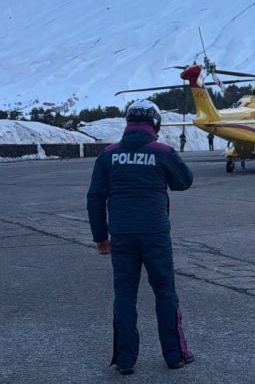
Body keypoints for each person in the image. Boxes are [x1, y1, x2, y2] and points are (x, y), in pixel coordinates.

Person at [87, 99, 195, 376]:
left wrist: (101, 237)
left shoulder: (108, 155)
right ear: (155, 124)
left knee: (124, 295)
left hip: (122, 234)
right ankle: (175, 356)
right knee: (165, 293)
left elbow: (95, 198)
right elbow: (184, 181)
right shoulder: (162, 151)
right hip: (156, 233)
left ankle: (125, 359)